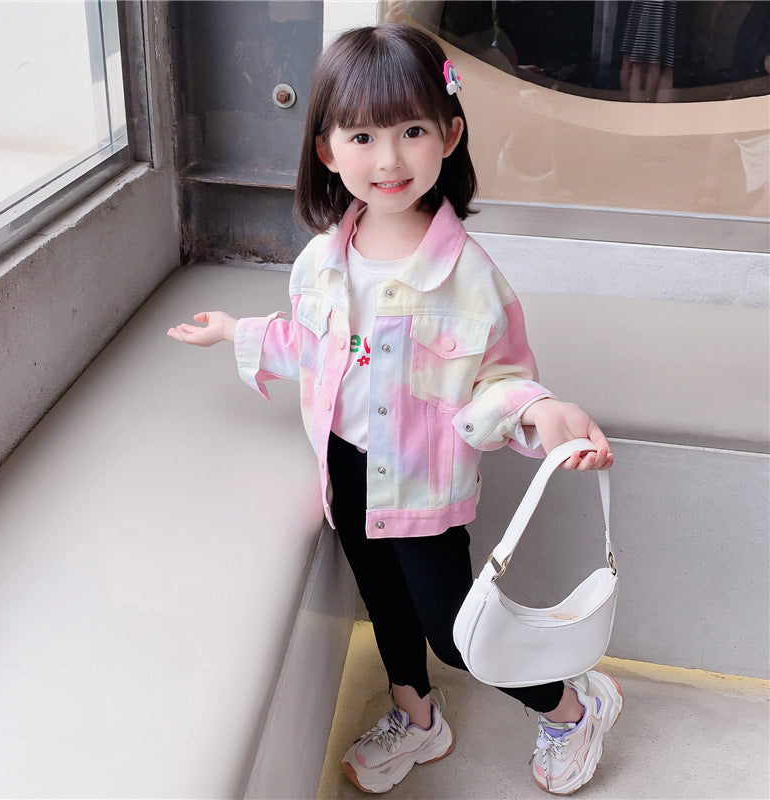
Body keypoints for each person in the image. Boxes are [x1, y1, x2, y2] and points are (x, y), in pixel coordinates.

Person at [168, 23, 622, 796]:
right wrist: (236, 332)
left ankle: (574, 708)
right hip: (345, 468)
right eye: (363, 136)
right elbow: (311, 346)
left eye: (412, 130)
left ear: (450, 136)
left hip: (422, 489)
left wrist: (541, 413)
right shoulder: (321, 259)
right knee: (383, 603)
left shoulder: (471, 278)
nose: (388, 159)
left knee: (454, 632)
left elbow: (501, 381)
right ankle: (417, 718)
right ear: (326, 149)